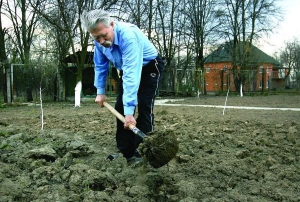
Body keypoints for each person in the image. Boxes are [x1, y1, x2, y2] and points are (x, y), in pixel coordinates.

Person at [81, 9, 164, 164]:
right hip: (126, 70)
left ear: (111, 25)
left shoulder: (129, 37)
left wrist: (130, 112)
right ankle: (127, 152)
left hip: (149, 66)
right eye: (96, 37)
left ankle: (144, 152)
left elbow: (132, 74)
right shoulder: (99, 41)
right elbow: (100, 65)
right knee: (120, 107)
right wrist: (100, 91)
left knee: (144, 105)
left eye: (103, 35)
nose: (100, 41)